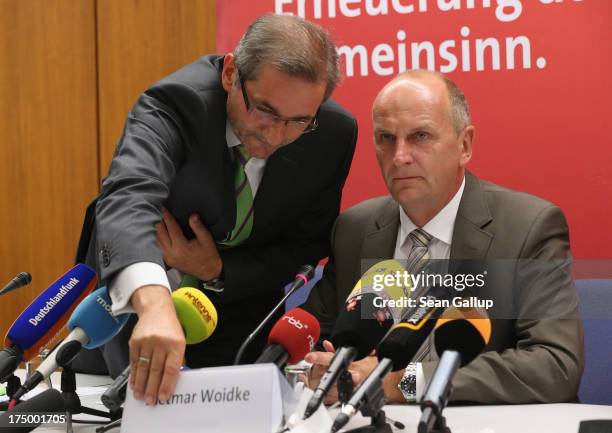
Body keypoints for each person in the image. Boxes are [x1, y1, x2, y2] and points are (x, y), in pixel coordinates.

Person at [74, 14, 357, 405]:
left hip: (238, 305)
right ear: (229, 73)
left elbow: (305, 244)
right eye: (265, 110)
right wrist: (154, 303)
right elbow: (127, 197)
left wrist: (219, 271)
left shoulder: (334, 133)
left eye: (298, 122)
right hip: (140, 306)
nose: (275, 136)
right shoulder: (176, 103)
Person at [303, 70, 583, 404]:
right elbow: (313, 338)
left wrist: (399, 384)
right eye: (386, 138)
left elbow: (555, 366)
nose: (400, 156)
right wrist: (320, 366)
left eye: (420, 136)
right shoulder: (354, 229)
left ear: (464, 145)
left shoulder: (527, 228)